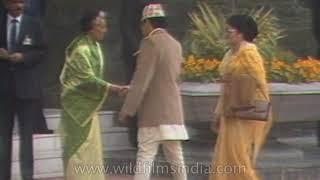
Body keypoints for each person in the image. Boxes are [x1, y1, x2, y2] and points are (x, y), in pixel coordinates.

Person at [119, 4, 189, 180]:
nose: (142, 29)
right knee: (176, 158)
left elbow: (142, 80)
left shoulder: (150, 43)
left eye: (142, 25)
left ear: (148, 23)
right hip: (173, 112)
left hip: (153, 113)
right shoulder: (175, 45)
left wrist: (128, 110)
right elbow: (168, 78)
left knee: (145, 156)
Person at [59, 10, 127, 180]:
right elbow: (86, 79)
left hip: (89, 107)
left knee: (92, 148)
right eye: (100, 27)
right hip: (77, 109)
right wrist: (113, 88)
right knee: (79, 148)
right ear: (90, 28)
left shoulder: (94, 46)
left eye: (105, 26)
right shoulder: (81, 49)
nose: (104, 30)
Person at [209, 15, 273, 180]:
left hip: (245, 114)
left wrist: (255, 106)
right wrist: (218, 111)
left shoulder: (250, 54)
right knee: (225, 155)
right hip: (230, 111)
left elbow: (260, 84)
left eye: (229, 30)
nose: (226, 34)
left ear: (240, 33)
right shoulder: (230, 53)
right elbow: (225, 87)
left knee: (238, 158)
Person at [0, 0, 50, 179]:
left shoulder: (33, 23)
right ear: (6, 4)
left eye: (21, 2)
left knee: (26, 137)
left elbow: (42, 52)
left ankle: (27, 176)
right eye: (15, 2)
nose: (19, 5)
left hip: (27, 89)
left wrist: (24, 57)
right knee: (3, 139)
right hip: (4, 90)